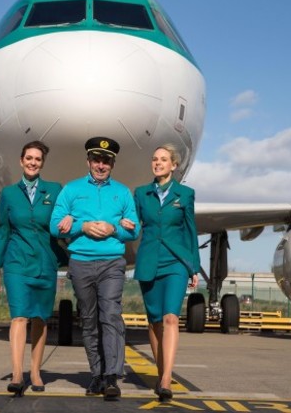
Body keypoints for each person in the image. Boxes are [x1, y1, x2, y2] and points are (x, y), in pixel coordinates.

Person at [49, 136, 140, 400]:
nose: (101, 165)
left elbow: (134, 230)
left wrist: (115, 229)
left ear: (112, 163)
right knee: (89, 320)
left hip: (112, 263)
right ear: (88, 160)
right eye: (96, 159)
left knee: (110, 316)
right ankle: (96, 375)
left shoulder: (122, 192)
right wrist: (82, 226)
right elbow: (54, 225)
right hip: (81, 263)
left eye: (106, 161)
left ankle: (112, 377)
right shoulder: (71, 190)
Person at [0, 140, 67, 397]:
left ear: (41, 163)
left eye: (38, 159)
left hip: (45, 263)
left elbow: (64, 220)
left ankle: (35, 370)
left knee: (40, 318)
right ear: (21, 161)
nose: (33, 162)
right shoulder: (9, 194)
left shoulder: (55, 191)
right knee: (19, 316)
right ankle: (16, 373)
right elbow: (3, 232)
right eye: (29, 158)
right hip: (16, 263)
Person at [132, 144, 200, 402]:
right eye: (155, 159)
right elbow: (133, 225)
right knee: (155, 321)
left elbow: (190, 230)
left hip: (176, 261)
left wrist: (193, 265)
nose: (158, 163)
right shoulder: (141, 194)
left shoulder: (185, 194)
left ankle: (165, 378)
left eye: (163, 160)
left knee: (171, 317)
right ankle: (162, 371)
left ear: (174, 165)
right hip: (149, 261)